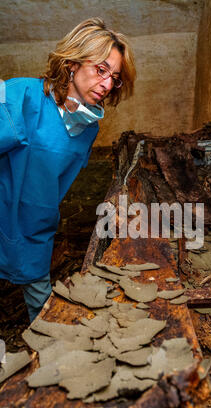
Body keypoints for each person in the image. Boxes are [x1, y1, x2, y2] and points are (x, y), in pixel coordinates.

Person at [0, 18, 136, 322]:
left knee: (43, 313)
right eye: (100, 70)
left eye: (114, 77)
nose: (107, 84)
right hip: (1, 217)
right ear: (72, 64)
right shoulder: (20, 95)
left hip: (36, 227)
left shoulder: (88, 127)